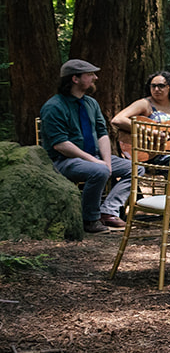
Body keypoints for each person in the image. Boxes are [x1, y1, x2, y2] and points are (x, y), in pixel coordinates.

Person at [40, 59, 133, 235]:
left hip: (93, 158)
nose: (95, 78)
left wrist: (107, 162)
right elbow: (60, 144)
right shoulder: (54, 106)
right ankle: (89, 219)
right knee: (99, 171)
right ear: (75, 79)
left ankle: (108, 211)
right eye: (90, 74)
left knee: (135, 168)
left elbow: (102, 133)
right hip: (63, 161)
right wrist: (96, 163)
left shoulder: (91, 103)